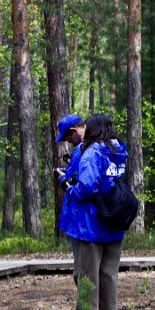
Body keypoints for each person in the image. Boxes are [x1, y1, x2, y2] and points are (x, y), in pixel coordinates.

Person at [62, 114, 129, 310]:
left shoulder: (92, 153)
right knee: (108, 277)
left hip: (91, 225)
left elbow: (87, 187)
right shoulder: (118, 152)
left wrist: (71, 188)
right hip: (114, 222)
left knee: (87, 277)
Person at [55, 113, 86, 287]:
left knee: (81, 272)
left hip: (78, 219)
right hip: (82, 220)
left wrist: (61, 178)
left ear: (74, 130)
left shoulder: (81, 150)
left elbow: (71, 180)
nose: (68, 141)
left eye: (68, 137)